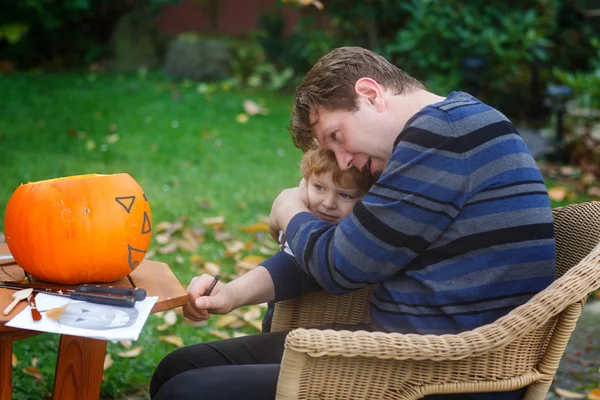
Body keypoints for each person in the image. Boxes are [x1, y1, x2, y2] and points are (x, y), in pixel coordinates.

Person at [151, 47, 556, 400]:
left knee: (187, 392)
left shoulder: (440, 135)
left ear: (369, 94)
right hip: (397, 350)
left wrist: (289, 207)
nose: (343, 161)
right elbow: (350, 248)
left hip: (445, 374)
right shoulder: (448, 133)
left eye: (337, 135)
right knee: (178, 367)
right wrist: (233, 294)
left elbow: (341, 264)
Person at [261, 146, 375, 333]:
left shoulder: (355, 236)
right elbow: (285, 265)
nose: (328, 203)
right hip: (287, 317)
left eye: (345, 195)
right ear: (304, 184)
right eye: (319, 187)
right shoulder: (304, 220)